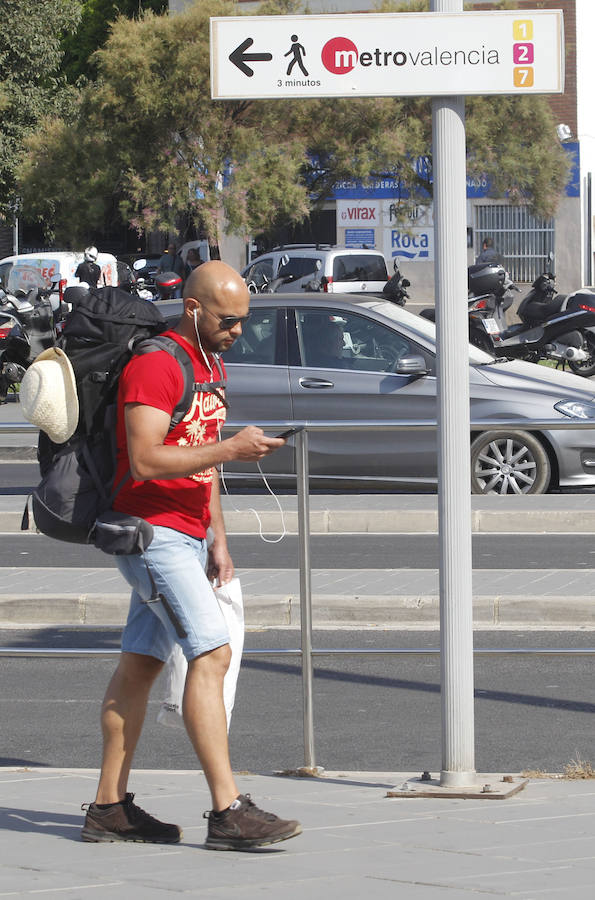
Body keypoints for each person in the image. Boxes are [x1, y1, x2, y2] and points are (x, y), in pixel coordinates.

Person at [81, 261, 302, 850]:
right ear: (194, 308)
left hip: (187, 533)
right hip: (150, 532)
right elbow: (148, 459)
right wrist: (232, 447)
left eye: (244, 322)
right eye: (228, 320)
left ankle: (108, 809)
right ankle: (228, 812)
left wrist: (217, 536)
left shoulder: (210, 364)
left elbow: (201, 459)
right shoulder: (157, 364)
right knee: (212, 650)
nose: (237, 331)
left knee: (140, 667)